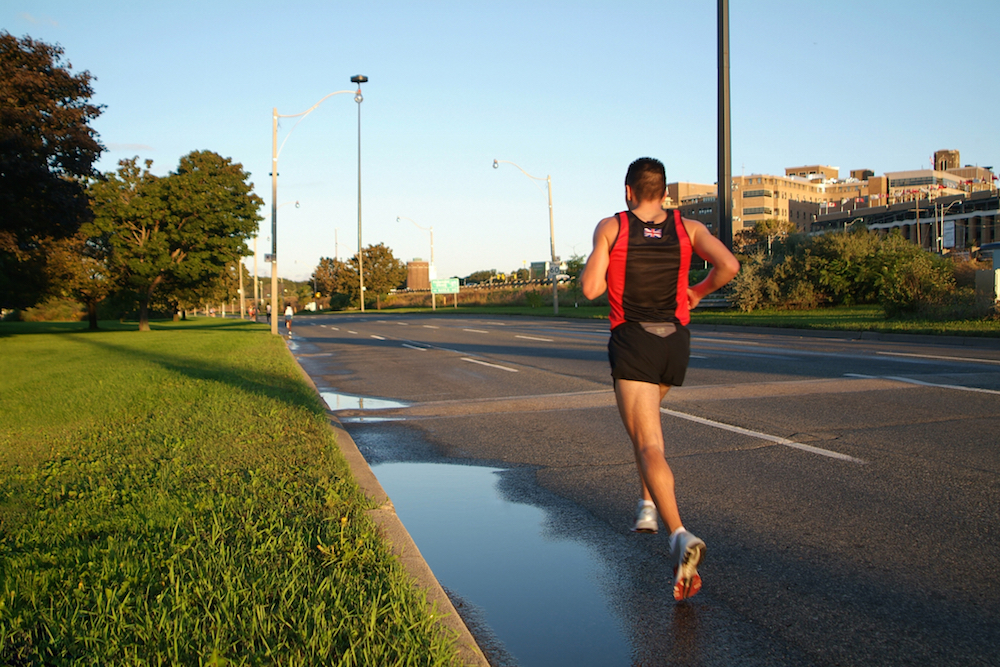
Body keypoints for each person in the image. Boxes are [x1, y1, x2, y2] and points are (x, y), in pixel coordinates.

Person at [580, 157, 739, 601]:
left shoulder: (613, 226)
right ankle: (646, 506)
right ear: (664, 192)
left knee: (649, 441)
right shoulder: (688, 229)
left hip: (634, 339)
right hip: (674, 343)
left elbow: (591, 289)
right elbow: (729, 265)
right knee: (645, 428)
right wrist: (698, 291)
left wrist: (596, 262)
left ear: (628, 191)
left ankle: (679, 535)